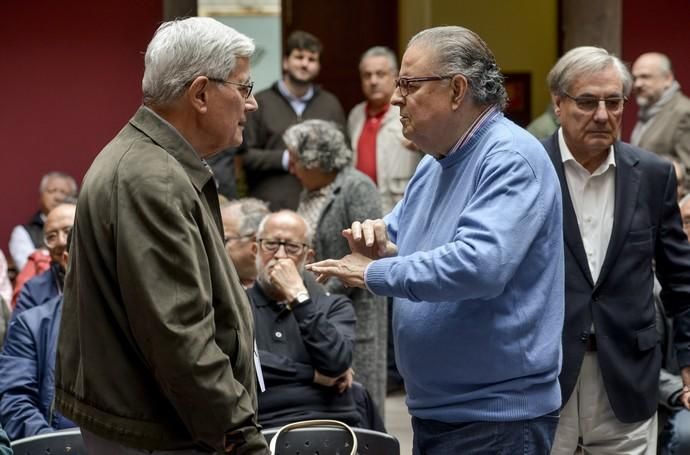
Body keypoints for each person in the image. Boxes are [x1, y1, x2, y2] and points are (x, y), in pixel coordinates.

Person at [308, 26, 564, 454]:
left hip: (496, 419)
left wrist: (375, 271)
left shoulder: (509, 158)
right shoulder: (436, 160)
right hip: (441, 411)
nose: (394, 98)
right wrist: (379, 238)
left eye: (408, 84)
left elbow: (478, 265)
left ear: (457, 89)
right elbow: (402, 229)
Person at [55, 17, 269, 454]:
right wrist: (241, 439)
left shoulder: (148, 163)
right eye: (244, 88)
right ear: (201, 93)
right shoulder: (153, 179)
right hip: (162, 434)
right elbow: (179, 337)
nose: (253, 104)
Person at [540, 46, 690, 454]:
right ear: (558, 103)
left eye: (613, 102)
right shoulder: (528, 169)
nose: (603, 115)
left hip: (627, 375)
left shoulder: (654, 176)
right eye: (587, 102)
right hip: (545, 374)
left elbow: (680, 279)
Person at [284, 119, 387, 417]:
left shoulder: (356, 187)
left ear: (317, 161)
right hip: (318, 308)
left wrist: (318, 297)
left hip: (353, 308)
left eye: (296, 161)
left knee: (358, 399)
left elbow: (368, 256)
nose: (291, 168)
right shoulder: (310, 188)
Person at [248, 210, 360, 427]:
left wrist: (298, 298)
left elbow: (336, 364)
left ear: (308, 257)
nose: (280, 255)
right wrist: (312, 374)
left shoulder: (334, 306)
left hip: (332, 423)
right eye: (271, 245)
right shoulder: (237, 305)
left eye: (292, 247)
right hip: (262, 425)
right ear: (255, 250)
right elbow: (238, 362)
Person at [243, 30, 346, 211]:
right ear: (285, 62)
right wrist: (285, 159)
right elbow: (245, 157)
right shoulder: (260, 102)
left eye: (312, 59)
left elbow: (344, 154)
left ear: (318, 66)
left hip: (320, 208)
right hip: (270, 207)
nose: (305, 64)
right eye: (299, 57)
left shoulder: (330, 104)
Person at [0, 235, 76, 440]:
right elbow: (15, 400)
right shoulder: (31, 324)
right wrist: (59, 447)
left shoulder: (138, 320)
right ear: (68, 261)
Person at [348, 46, 422, 214]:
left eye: (380, 74)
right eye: (367, 75)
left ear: (395, 77)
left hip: (400, 209)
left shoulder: (411, 111)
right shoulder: (356, 115)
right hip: (361, 210)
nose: (373, 81)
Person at [631, 52, 690, 190]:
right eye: (635, 78)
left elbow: (688, 172)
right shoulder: (649, 111)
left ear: (668, 78)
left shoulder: (683, 112)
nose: (638, 84)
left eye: (645, 77)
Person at [14, 201, 75, 314]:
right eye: (51, 236)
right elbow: (20, 328)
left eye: (68, 231)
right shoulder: (33, 290)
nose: (61, 242)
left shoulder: (108, 274)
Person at [9, 172, 77, 271]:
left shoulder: (83, 227)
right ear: (41, 196)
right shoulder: (23, 232)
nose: (58, 197)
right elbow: (30, 269)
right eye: (52, 191)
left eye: (63, 192)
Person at [220, 197, 270, 288]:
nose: (214, 246)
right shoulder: (209, 284)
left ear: (255, 242)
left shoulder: (287, 291)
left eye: (224, 240)